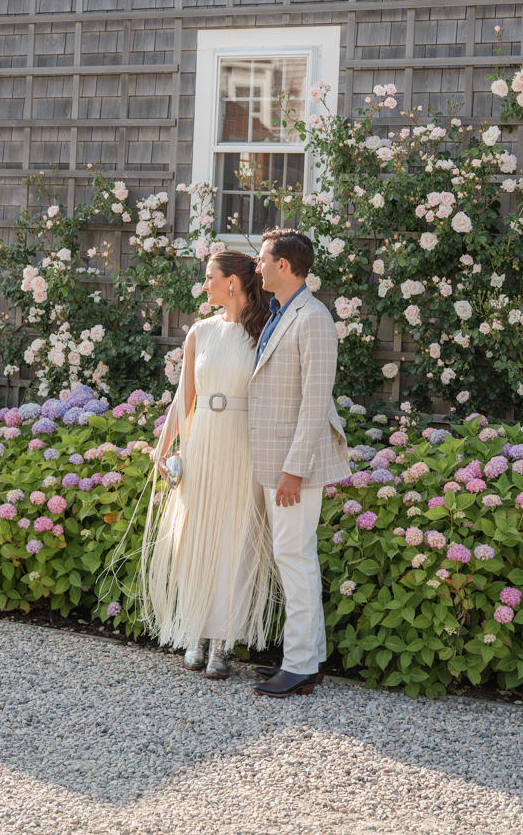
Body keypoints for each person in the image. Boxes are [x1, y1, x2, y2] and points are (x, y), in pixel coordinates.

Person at [141, 250, 279, 679]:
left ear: (233, 283)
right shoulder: (199, 332)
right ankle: (196, 630)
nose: (204, 286)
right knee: (195, 535)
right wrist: (163, 449)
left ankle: (224, 641)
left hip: (243, 445)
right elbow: (184, 398)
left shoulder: (265, 333)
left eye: (209, 277)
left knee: (236, 539)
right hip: (202, 441)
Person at [248, 228, 350, 699]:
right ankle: (306, 664)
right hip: (275, 460)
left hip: (295, 466)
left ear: (284, 266)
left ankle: (300, 664)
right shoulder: (279, 312)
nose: (257, 267)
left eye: (263, 259)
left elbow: (314, 403)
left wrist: (294, 469)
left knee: (296, 558)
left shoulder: (313, 318)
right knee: (293, 558)